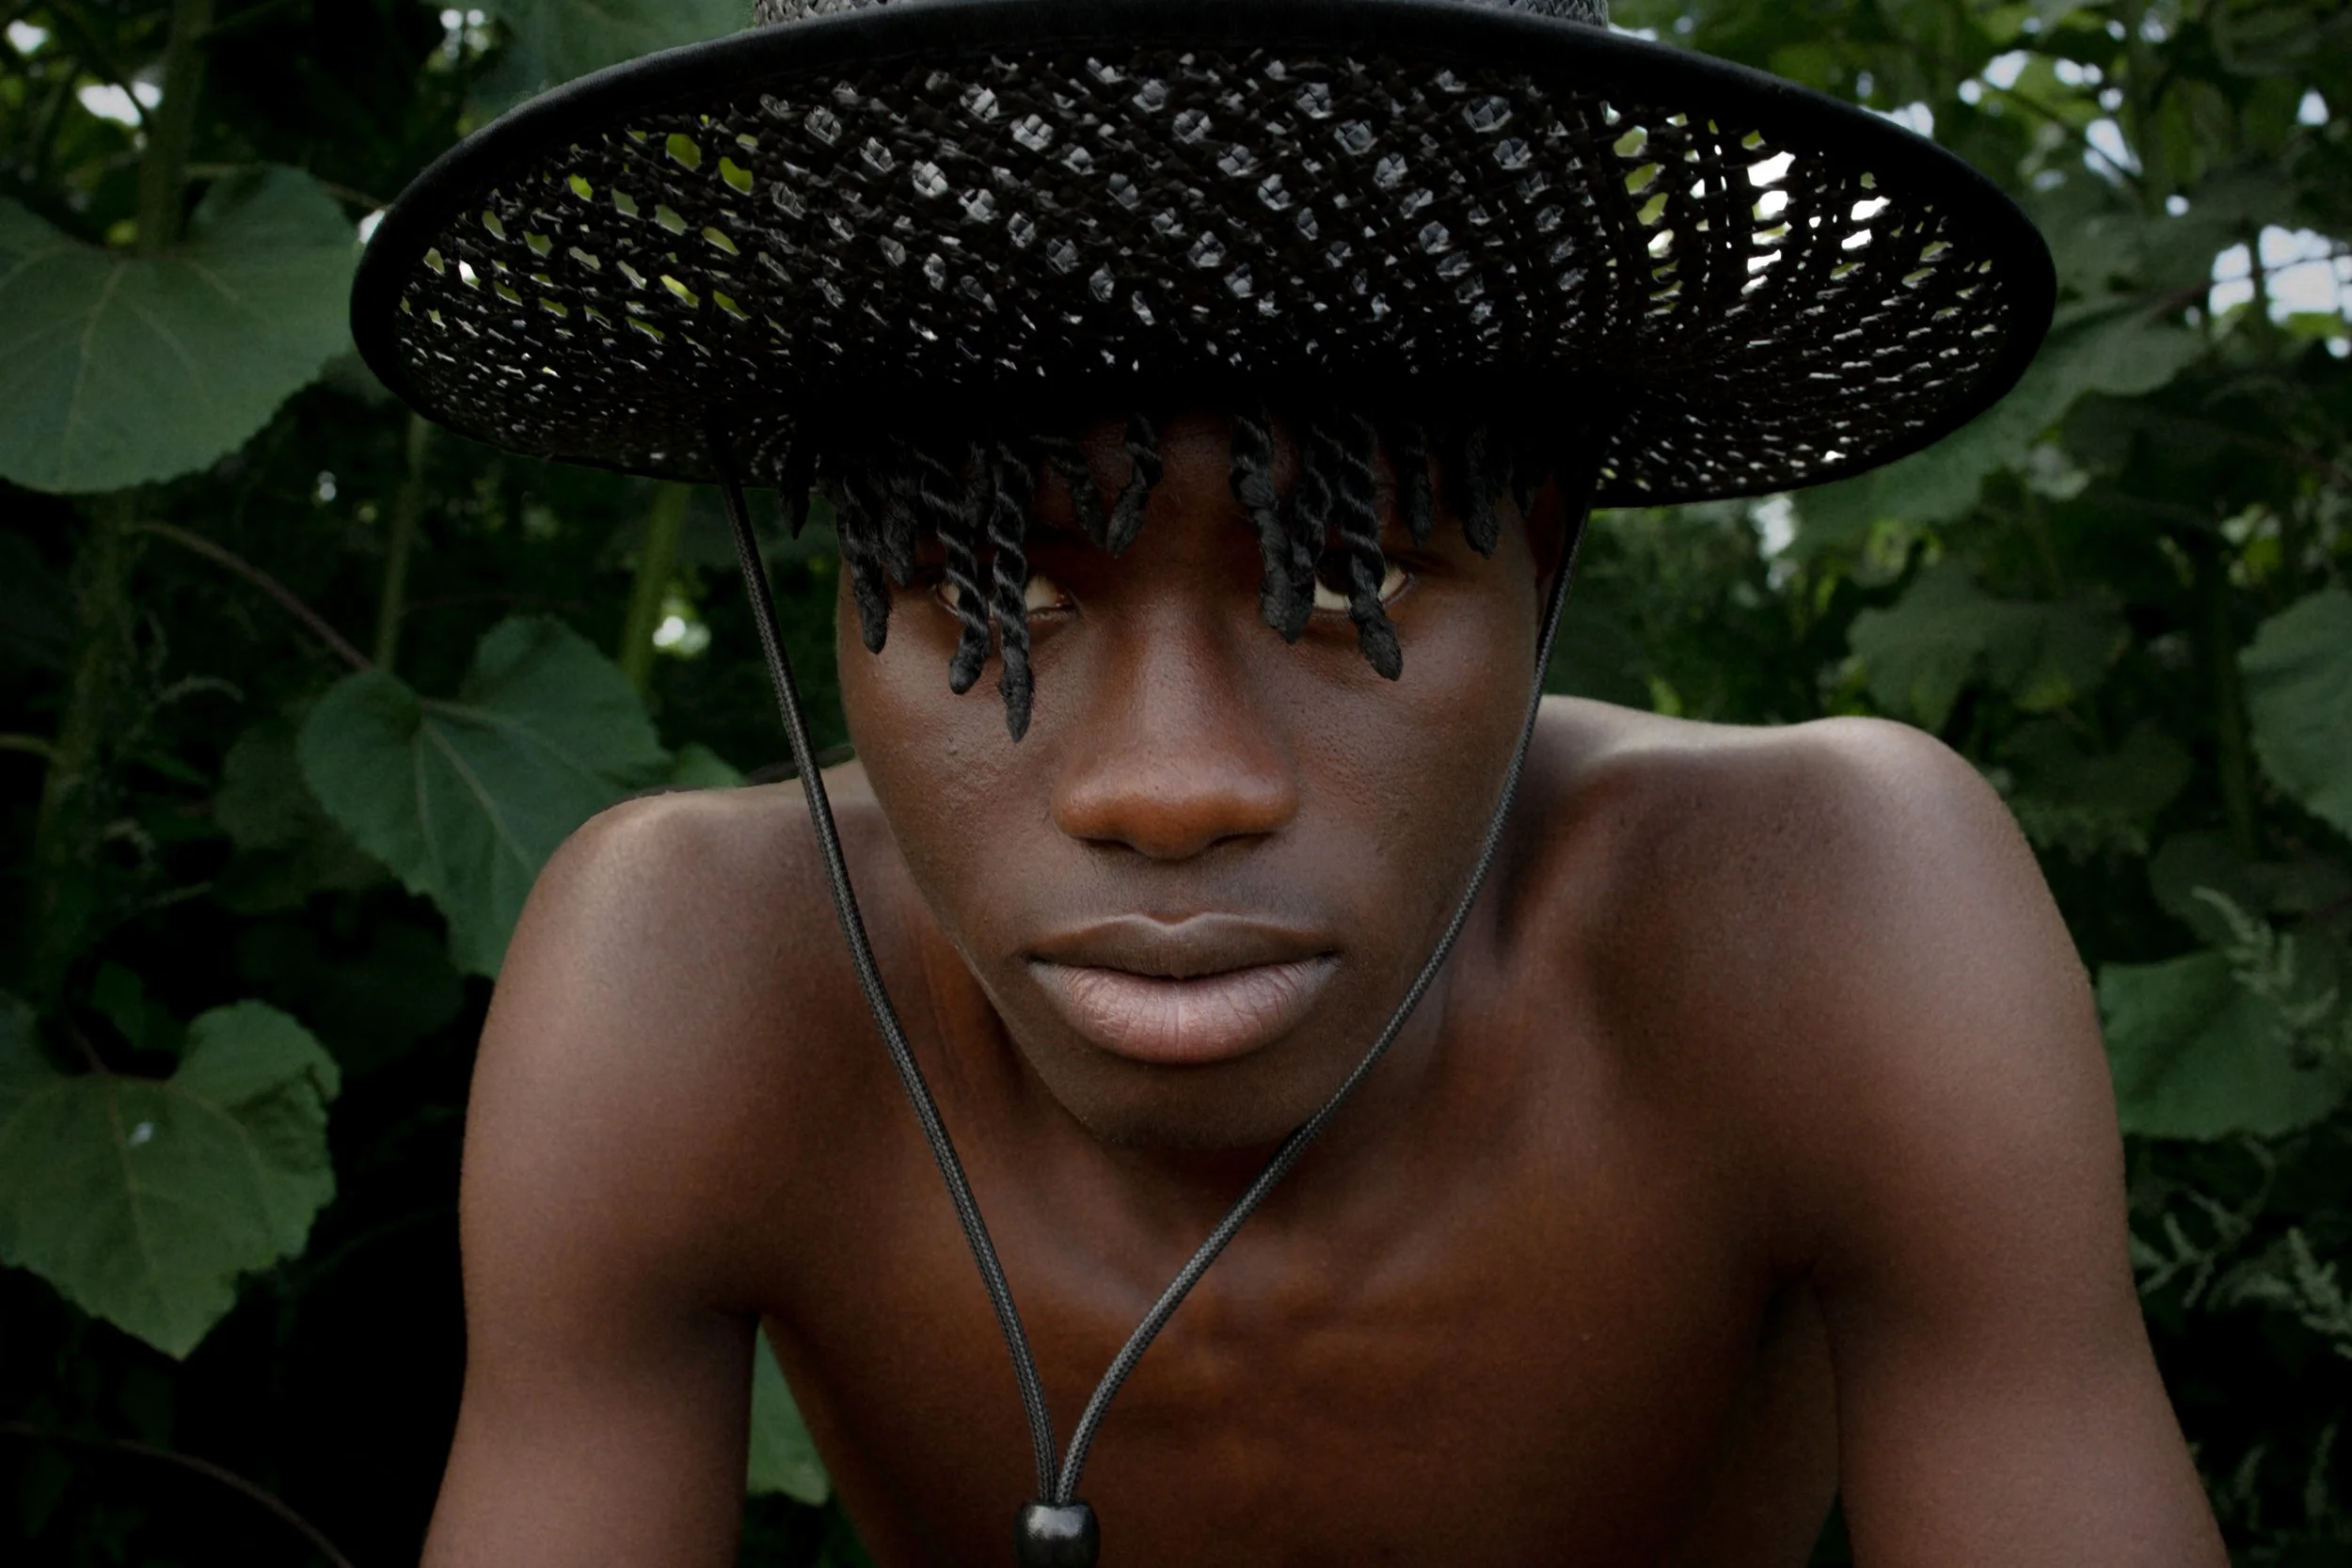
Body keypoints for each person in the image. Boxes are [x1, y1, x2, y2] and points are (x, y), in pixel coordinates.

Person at [350, 1, 2230, 1562]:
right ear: (838, 602)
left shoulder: (1823, 924)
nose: (1173, 788)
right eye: (995, 596)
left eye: (1345, 589)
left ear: (1540, 564)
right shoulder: (694, 975)